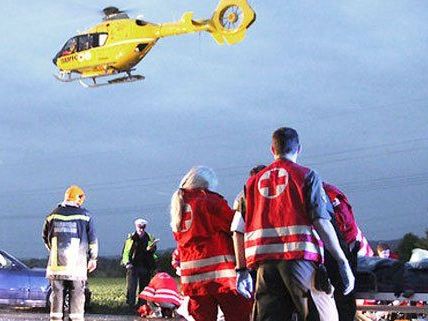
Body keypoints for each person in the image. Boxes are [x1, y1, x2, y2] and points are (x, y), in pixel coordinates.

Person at [235, 127, 355, 321]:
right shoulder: (307, 176)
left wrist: (241, 271)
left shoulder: (252, 183)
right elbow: (321, 221)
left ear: (272, 150)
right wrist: (342, 261)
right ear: (299, 149)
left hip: (264, 266)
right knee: (322, 315)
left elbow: (237, 230)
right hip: (300, 259)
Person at [170, 166, 252, 321]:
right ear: (206, 185)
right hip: (220, 276)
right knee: (239, 314)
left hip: (193, 279)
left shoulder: (179, 206)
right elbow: (235, 225)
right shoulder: (210, 201)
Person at [42, 185, 98, 321]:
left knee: (57, 296)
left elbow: (45, 237)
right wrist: (93, 259)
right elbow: (92, 240)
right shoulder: (85, 216)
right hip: (77, 267)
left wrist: (54, 252)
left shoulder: (52, 215)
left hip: (56, 266)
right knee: (77, 296)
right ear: (79, 198)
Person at [121, 218, 158, 308]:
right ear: (136, 227)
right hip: (133, 266)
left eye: (143, 227)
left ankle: (142, 306)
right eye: (139, 227)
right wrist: (127, 263)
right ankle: (130, 306)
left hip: (146, 266)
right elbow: (126, 252)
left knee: (144, 288)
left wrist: (151, 250)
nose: (141, 229)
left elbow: (153, 252)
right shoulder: (131, 238)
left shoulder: (150, 237)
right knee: (131, 288)